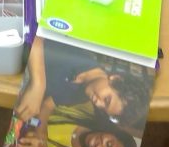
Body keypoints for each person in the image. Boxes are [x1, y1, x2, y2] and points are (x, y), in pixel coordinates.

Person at [15, 37, 152, 128]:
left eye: (104, 109)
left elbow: (49, 104)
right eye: (107, 99)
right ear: (115, 79)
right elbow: (36, 31)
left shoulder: (82, 95)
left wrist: (41, 130)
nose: (98, 104)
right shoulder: (80, 51)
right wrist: (38, 84)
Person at [15, 106, 139, 147]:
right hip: (22, 109)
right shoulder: (87, 108)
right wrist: (38, 131)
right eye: (109, 144)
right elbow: (48, 103)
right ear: (113, 132)